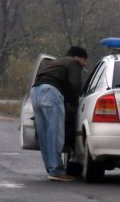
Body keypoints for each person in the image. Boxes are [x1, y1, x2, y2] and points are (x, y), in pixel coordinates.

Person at [30, 46, 88, 181]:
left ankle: (52, 169)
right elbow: (74, 84)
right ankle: (56, 170)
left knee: (44, 135)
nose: (84, 64)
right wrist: (74, 103)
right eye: (84, 60)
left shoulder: (56, 62)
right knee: (55, 133)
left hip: (35, 92)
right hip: (50, 92)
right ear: (78, 57)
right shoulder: (74, 63)